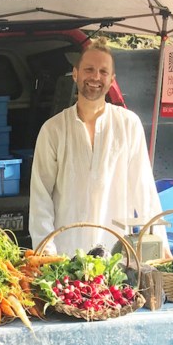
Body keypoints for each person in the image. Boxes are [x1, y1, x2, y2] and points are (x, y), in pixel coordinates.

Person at [28, 39, 162, 256]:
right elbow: (40, 196)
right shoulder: (53, 129)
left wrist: (160, 243)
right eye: (89, 69)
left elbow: (143, 188)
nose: (95, 77)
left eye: (103, 71)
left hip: (115, 255)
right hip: (64, 256)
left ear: (111, 80)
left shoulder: (128, 124)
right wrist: (46, 251)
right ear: (75, 74)